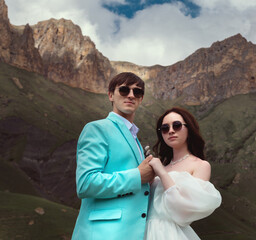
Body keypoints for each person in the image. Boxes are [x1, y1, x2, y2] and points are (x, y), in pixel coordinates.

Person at [72, 72, 155, 240]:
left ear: (141, 99)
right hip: (102, 233)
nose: (131, 95)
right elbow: (86, 183)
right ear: (111, 95)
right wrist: (137, 176)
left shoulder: (135, 138)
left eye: (137, 92)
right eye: (124, 90)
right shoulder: (96, 129)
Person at [144, 107, 222, 240]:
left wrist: (161, 172)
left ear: (189, 129)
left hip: (170, 234)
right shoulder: (161, 166)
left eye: (177, 125)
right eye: (165, 128)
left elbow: (184, 211)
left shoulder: (200, 165)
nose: (171, 131)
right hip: (143, 231)